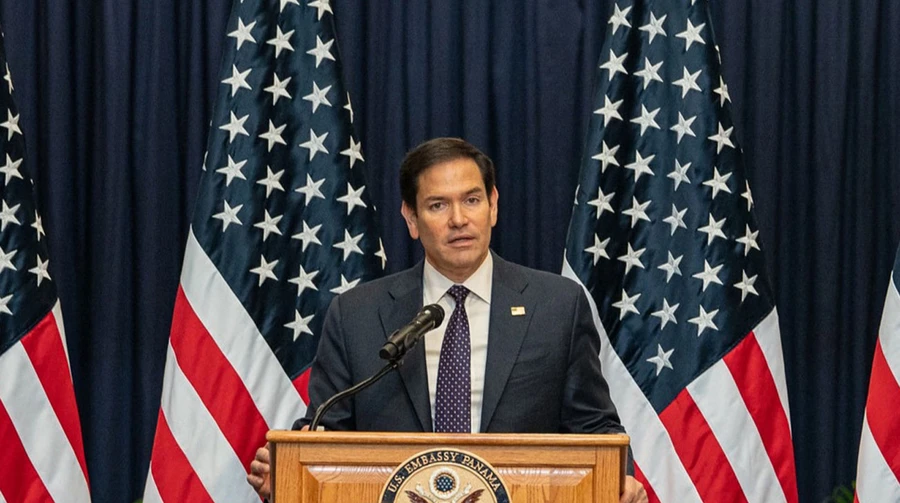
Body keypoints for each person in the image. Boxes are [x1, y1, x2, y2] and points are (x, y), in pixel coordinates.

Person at [247, 138, 647, 502]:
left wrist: (619, 479)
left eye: (471, 200)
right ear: (411, 218)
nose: (458, 219)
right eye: (438, 205)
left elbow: (595, 428)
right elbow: (326, 433)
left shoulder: (557, 306)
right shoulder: (357, 315)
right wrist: (289, 470)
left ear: (493, 205)